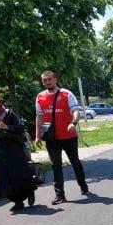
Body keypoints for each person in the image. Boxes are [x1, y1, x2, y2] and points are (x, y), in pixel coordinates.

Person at [35, 70, 89, 205]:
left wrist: (74, 123)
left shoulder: (66, 94)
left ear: (55, 79)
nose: (47, 82)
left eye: (49, 79)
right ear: (42, 82)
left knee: (75, 162)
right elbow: (39, 117)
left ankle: (82, 185)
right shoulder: (40, 97)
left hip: (68, 136)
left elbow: (76, 111)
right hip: (52, 137)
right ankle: (60, 195)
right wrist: (37, 136)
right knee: (56, 165)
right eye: (44, 80)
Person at [0, 91, 36, 211]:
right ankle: (17, 201)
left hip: (14, 150)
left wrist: (7, 127)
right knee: (5, 179)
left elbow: (20, 128)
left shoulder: (8, 113)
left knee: (19, 175)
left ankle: (30, 191)